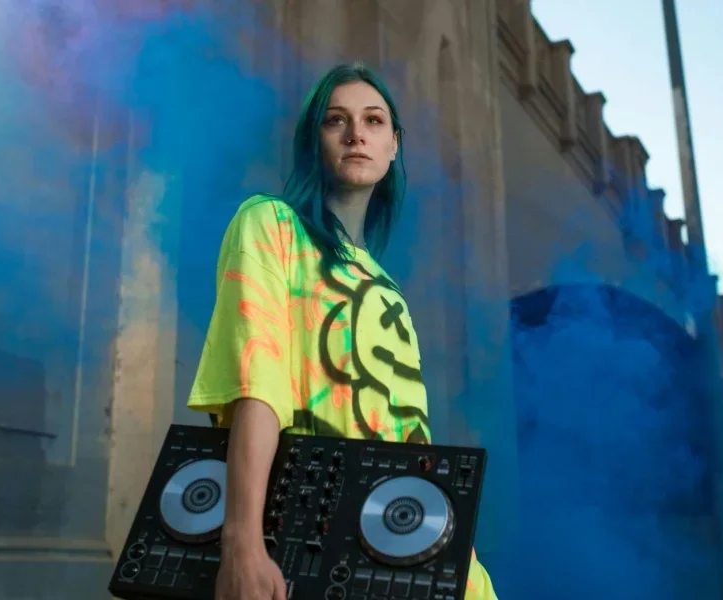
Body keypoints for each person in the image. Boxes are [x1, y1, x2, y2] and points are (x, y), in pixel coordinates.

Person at [188, 62, 498, 600]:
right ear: (314, 139)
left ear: (394, 145)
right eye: (336, 120)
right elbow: (257, 384)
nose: (357, 134)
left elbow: (411, 437)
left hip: (406, 538)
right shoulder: (270, 223)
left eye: (374, 120)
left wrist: (453, 554)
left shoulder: (388, 287)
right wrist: (242, 542)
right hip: (307, 539)